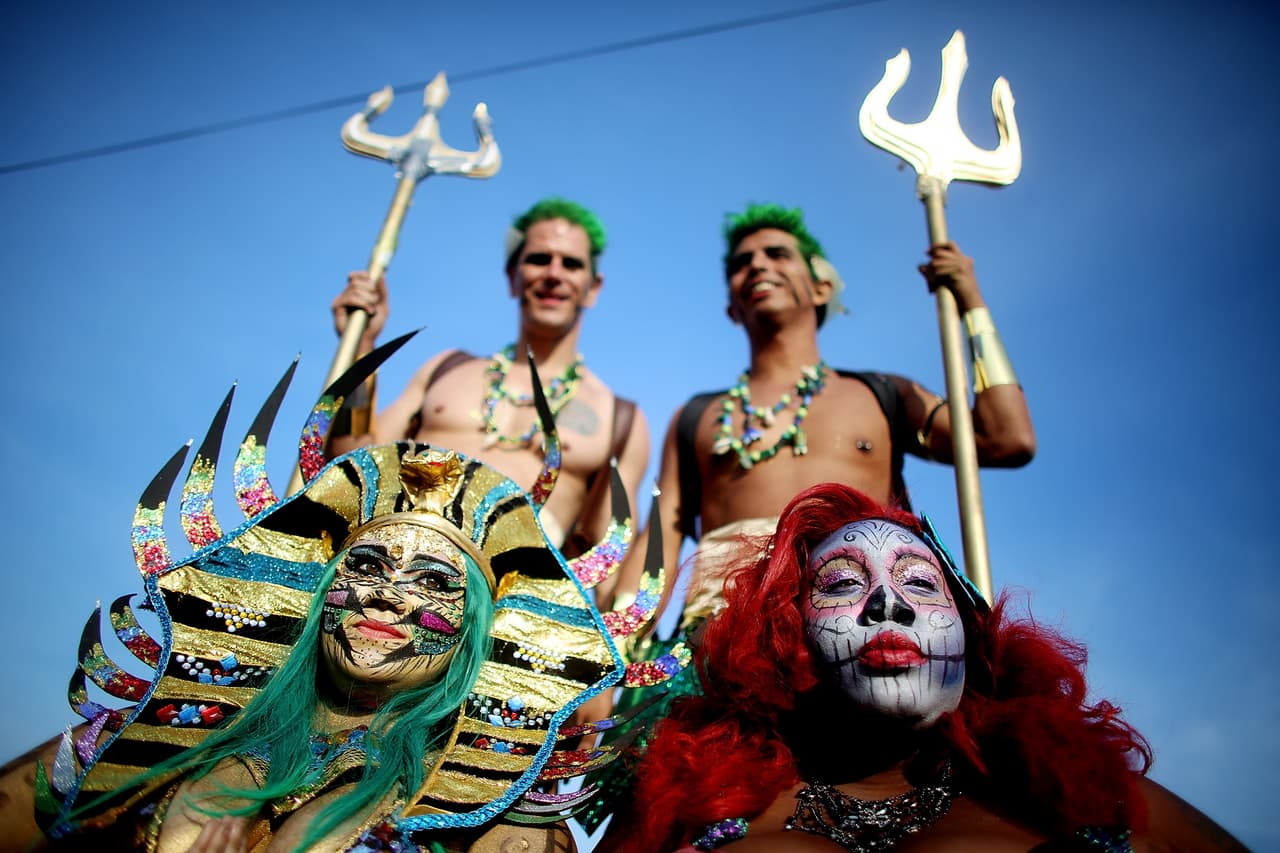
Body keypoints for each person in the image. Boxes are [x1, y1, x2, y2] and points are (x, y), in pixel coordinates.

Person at [11, 354, 644, 852]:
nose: (386, 596)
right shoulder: (134, 743)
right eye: (366, 567)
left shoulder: (503, 820)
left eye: (433, 582)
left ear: (479, 629)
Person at [604, 483, 1246, 851]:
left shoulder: (1082, 789)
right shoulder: (693, 801)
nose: (888, 602)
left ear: (968, 634)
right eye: (841, 583)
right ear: (788, 634)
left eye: (920, 581)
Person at [606, 202, 1035, 631]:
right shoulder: (698, 417)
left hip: (865, 641)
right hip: (716, 645)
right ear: (732, 307)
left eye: (778, 254)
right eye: (741, 263)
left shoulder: (883, 395)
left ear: (821, 287)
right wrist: (618, 646)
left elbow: (1006, 439)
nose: (757, 266)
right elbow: (659, 540)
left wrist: (970, 301)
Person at [330, 197, 650, 568]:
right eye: (538, 259)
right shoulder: (445, 370)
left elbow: (609, 561)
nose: (553, 274)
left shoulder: (618, 419)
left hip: (510, 602)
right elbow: (351, 459)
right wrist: (361, 347)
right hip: (396, 570)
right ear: (513, 277)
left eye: (572, 264)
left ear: (593, 286)